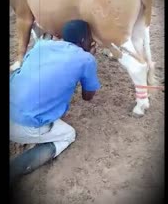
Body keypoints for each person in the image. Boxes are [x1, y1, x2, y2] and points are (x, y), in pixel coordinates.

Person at [9, 19, 101, 186]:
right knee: (68, 135)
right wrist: (88, 57)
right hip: (24, 124)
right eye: (90, 38)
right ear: (83, 41)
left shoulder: (41, 45)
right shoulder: (86, 59)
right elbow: (88, 96)